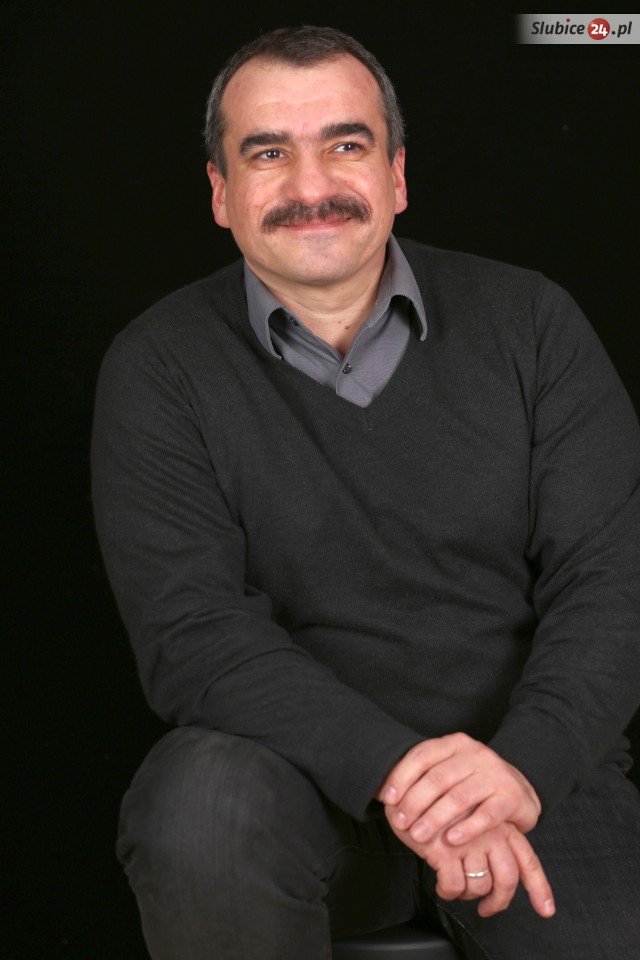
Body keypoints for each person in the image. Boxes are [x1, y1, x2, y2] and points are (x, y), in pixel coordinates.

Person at [91, 25, 640, 960]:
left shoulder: (533, 325)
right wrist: (396, 770)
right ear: (221, 192)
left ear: (396, 175)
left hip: (530, 777)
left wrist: (520, 769)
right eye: (269, 153)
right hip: (293, 782)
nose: (311, 186)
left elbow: (614, 585)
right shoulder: (161, 366)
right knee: (199, 811)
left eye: (345, 145)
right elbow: (193, 634)